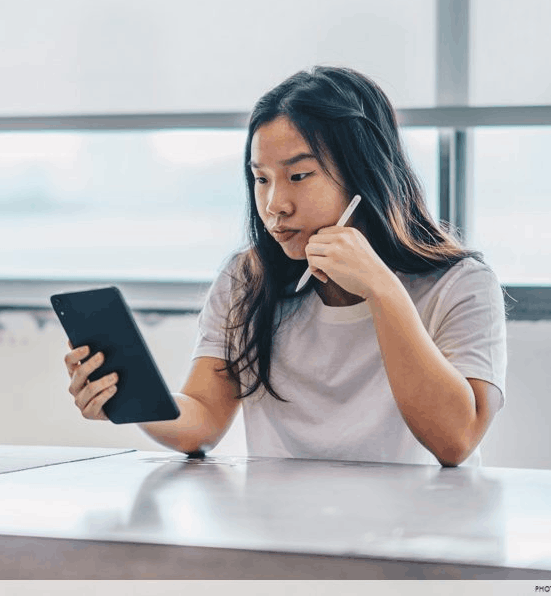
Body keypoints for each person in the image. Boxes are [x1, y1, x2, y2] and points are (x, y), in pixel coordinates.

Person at [64, 66, 507, 467]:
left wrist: (383, 289)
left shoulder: (461, 283)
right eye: (261, 179)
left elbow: (456, 440)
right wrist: (136, 402)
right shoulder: (246, 280)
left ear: (365, 174)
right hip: (284, 530)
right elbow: (203, 419)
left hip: (424, 532)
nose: (275, 205)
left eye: (298, 176)